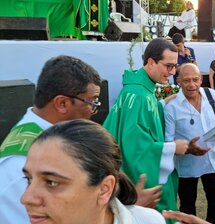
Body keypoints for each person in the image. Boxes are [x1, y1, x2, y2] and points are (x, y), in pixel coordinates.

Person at [0, 55, 158, 224]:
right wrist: (127, 212)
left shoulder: (43, 137)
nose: (93, 112)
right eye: (92, 103)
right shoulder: (22, 164)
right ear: (62, 103)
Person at [103, 38, 204, 223]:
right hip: (140, 179)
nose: (173, 72)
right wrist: (172, 148)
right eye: (169, 66)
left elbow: (135, 123)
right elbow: (135, 147)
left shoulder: (137, 90)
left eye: (175, 66)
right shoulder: (140, 96)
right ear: (150, 62)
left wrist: (159, 105)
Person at [20, 119, 166, 224]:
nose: (25, 198)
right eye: (29, 179)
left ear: (104, 189)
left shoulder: (148, 220)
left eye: (51, 182)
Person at [164, 63, 215, 224]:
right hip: (186, 166)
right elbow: (168, 140)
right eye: (186, 80)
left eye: (195, 79)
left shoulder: (211, 95)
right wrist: (188, 148)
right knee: (187, 206)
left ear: (201, 79)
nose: (192, 85)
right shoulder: (171, 107)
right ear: (178, 81)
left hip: (213, 160)